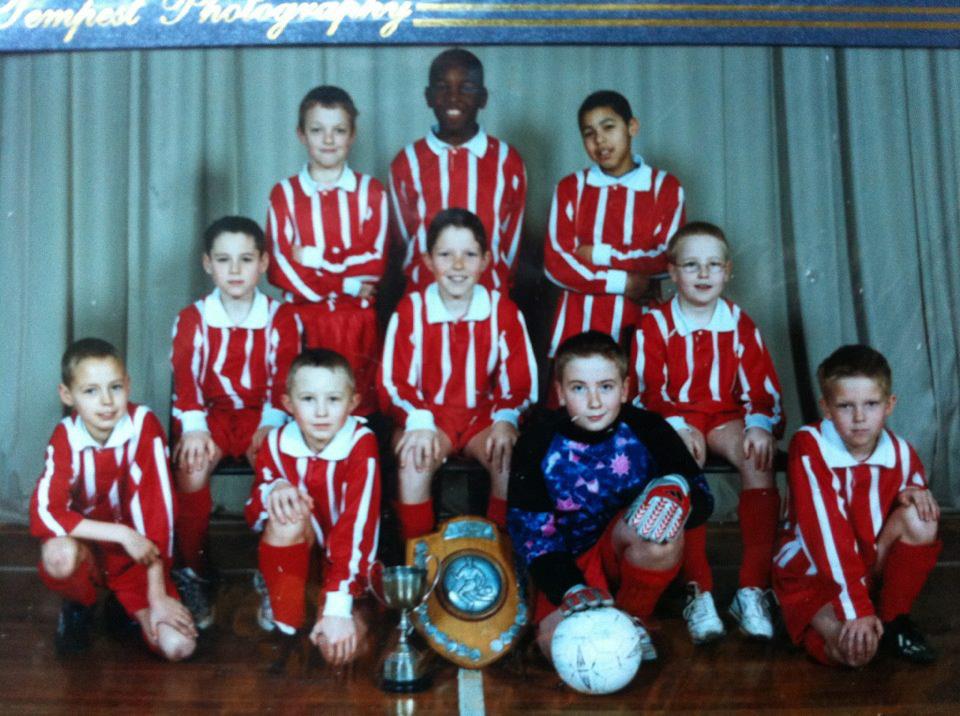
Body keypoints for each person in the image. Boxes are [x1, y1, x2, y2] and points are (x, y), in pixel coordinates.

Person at [508, 331, 712, 661]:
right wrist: (570, 587)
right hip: (564, 565)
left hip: (622, 555)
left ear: (625, 389)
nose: (594, 402)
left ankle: (633, 618)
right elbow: (533, 536)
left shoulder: (648, 427)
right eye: (579, 388)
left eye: (606, 387)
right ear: (560, 392)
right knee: (560, 648)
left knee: (661, 529)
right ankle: (586, 613)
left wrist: (679, 490)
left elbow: (702, 497)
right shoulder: (537, 439)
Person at [633, 221, 784, 643]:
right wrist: (676, 425)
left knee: (758, 458)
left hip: (723, 415)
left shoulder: (739, 323)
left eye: (713, 265)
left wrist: (759, 424)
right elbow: (647, 391)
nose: (703, 274)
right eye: (691, 265)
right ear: (672, 272)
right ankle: (699, 589)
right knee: (685, 459)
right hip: (674, 416)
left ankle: (752, 588)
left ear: (727, 271)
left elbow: (761, 388)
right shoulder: (655, 325)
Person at [773, 345, 941, 666]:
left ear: (889, 405)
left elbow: (913, 483)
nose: (860, 418)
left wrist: (913, 491)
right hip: (813, 573)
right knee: (854, 654)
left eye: (871, 404)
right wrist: (858, 610)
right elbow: (826, 533)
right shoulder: (810, 445)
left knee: (922, 516)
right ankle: (802, 614)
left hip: (864, 569)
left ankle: (893, 619)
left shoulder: (900, 451)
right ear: (826, 408)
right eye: (846, 406)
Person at [30, 338, 197, 660]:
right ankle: (81, 604)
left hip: (138, 555)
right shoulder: (66, 437)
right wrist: (121, 533)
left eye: (115, 387)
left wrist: (157, 594)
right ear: (67, 395)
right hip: (90, 550)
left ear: (128, 385)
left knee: (179, 646)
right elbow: (45, 512)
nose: (106, 401)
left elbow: (160, 515)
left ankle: (125, 606)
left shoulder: (143, 426)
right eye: (90, 391)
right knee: (58, 555)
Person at [169, 215, 298, 629]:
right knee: (191, 465)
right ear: (208, 264)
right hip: (210, 416)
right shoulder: (193, 318)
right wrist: (194, 427)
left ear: (263, 263)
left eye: (246, 259)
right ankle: (195, 571)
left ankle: (272, 571)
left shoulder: (281, 317)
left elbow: (285, 376)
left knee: (279, 466)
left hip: (264, 414)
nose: (236, 270)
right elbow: (186, 378)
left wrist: (272, 421)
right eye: (224, 260)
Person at [379, 207, 537, 539]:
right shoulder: (411, 311)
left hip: (483, 417)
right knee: (414, 457)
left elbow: (521, 382)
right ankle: (418, 553)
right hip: (430, 417)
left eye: (469, 254)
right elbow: (394, 382)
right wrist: (418, 420)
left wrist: (506, 418)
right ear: (428, 261)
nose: (458, 265)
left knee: (507, 456)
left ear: (486, 260)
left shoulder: (503, 311)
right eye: (446, 254)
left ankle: (498, 555)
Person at [244, 348, 380, 670]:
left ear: (353, 402)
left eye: (333, 399)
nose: (321, 411)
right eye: (308, 399)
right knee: (285, 514)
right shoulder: (276, 442)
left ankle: (332, 611)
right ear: (288, 404)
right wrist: (273, 490)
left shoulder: (361, 444)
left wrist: (337, 607)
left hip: (346, 567)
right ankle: (286, 625)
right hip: (302, 557)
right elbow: (252, 513)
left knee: (338, 653)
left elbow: (357, 526)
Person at [265, 85, 387, 416]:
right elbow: (280, 268)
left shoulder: (371, 192)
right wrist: (347, 283)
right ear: (301, 134)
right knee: (306, 410)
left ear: (352, 135)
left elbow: (373, 264)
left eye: (339, 130)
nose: (329, 140)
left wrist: (313, 258)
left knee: (354, 411)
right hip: (302, 321)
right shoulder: (284, 194)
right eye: (318, 130)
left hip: (356, 322)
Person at [544, 89, 684, 362]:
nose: (599, 140)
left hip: (640, 321)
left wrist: (598, 254)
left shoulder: (665, 187)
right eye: (589, 133)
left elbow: (668, 257)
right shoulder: (571, 188)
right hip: (578, 323)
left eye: (608, 127)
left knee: (638, 382)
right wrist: (624, 282)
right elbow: (557, 262)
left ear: (632, 127)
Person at [389, 47, 526, 293]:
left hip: (489, 296)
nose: (454, 97)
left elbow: (511, 244)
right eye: (443, 87)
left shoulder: (508, 161)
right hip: (425, 296)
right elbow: (403, 241)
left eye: (467, 88)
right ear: (428, 96)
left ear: (483, 97)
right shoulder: (406, 162)